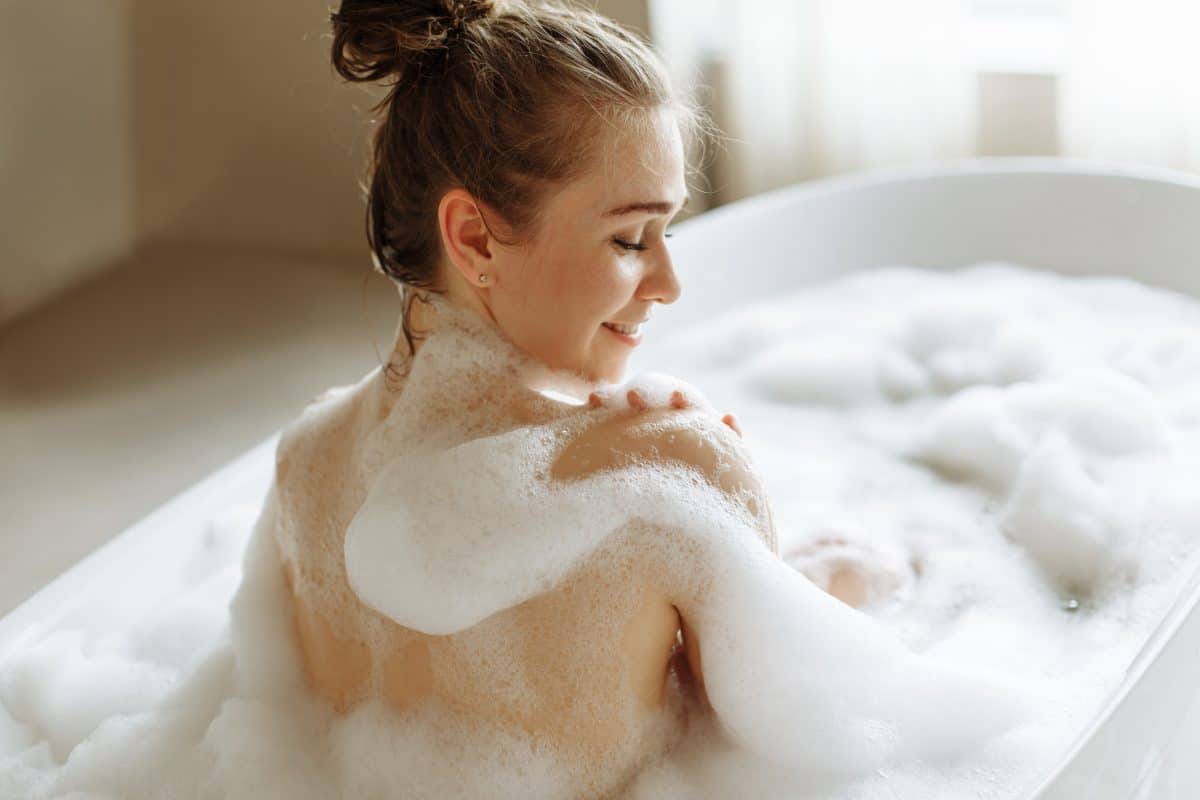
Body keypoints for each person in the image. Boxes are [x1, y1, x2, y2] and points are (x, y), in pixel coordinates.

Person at [265, 0, 852, 795]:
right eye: (628, 238)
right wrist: (845, 580)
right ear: (473, 239)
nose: (671, 284)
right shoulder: (671, 473)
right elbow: (816, 742)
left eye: (669, 231)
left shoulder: (304, 465)